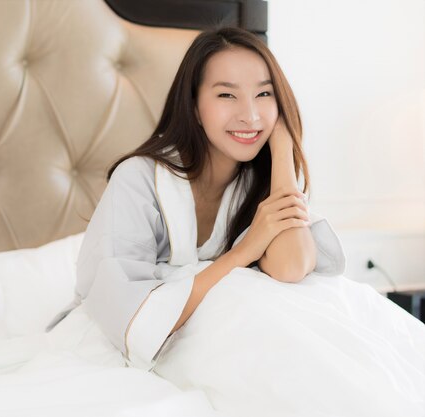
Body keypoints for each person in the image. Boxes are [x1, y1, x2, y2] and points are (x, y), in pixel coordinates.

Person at [46, 26, 425, 414]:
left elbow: (292, 266)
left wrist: (282, 150)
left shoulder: (259, 180)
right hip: (132, 338)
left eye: (264, 94)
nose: (250, 115)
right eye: (226, 94)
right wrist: (243, 251)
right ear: (194, 105)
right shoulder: (140, 179)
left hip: (230, 335)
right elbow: (127, 315)